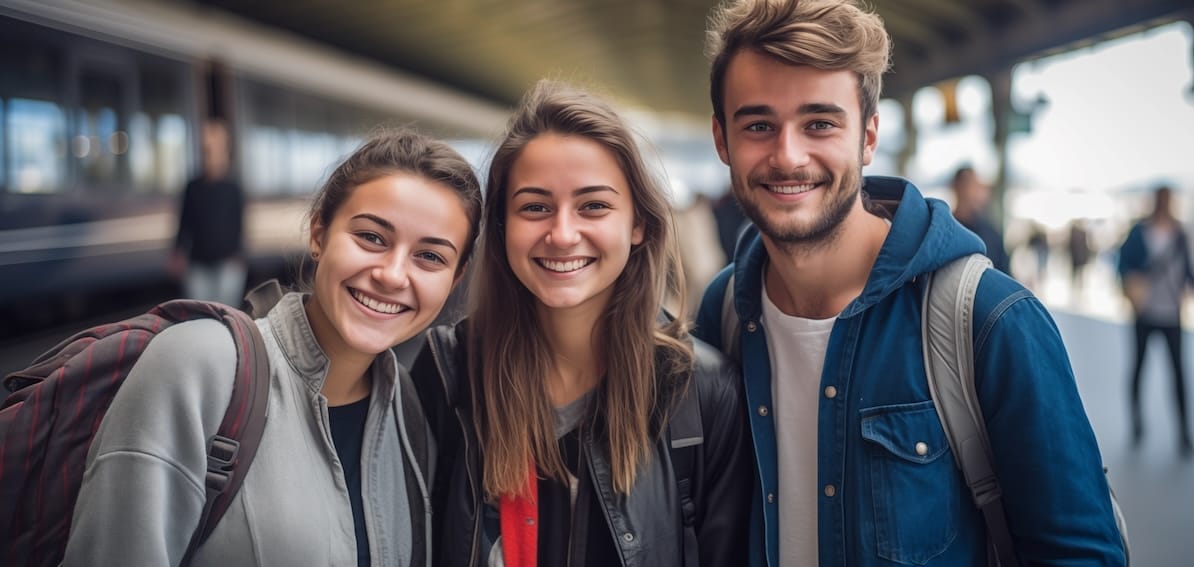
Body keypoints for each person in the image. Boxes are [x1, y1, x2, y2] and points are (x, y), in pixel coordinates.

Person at [694, 0, 1126, 565]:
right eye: (758, 125)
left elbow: (1079, 553)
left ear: (868, 137)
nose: (788, 155)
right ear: (722, 140)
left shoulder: (987, 319)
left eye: (819, 123)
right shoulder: (724, 311)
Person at [64, 129, 483, 566]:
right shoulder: (198, 367)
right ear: (319, 232)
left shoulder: (409, 411)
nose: (394, 275)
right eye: (371, 237)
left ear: (455, 278)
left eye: (430, 257)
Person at [411, 79, 752, 567]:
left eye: (593, 205)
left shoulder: (701, 392)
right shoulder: (448, 373)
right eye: (535, 207)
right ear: (503, 227)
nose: (563, 233)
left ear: (638, 224)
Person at [1117, 185, 1193, 457]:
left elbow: (1187, 269)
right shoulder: (1140, 232)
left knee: (1178, 373)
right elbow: (1123, 264)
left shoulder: (1179, 234)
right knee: (1139, 367)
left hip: (1171, 312)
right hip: (1145, 310)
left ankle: (1183, 433)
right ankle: (1137, 425)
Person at [170, 119, 248, 306]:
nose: (209, 154)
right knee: (200, 315)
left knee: (225, 315)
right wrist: (178, 253)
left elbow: (240, 224)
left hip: (228, 266)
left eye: (214, 148)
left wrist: (239, 255)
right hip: (198, 265)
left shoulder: (234, 188)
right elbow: (184, 223)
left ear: (225, 150)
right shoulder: (192, 187)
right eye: (206, 149)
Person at [950, 165, 1010, 274]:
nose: (973, 192)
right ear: (955, 187)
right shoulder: (946, 230)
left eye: (976, 186)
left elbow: (1005, 273)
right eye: (967, 185)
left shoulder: (990, 233)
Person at [1069, 218, 1093, 294]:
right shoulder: (1078, 233)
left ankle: (1079, 287)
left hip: (1079, 257)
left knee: (1079, 273)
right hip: (1076, 257)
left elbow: (1086, 246)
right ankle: (1076, 286)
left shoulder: (1081, 233)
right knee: (1076, 272)